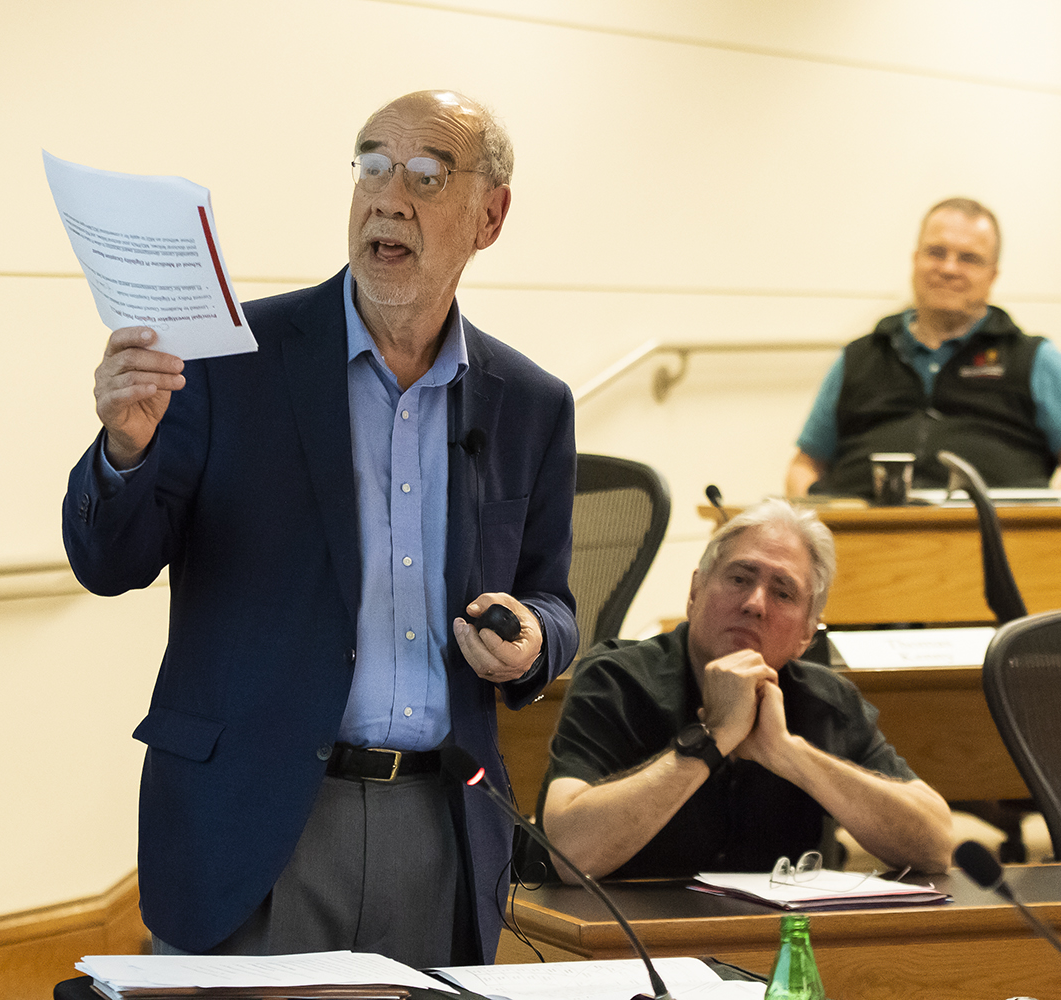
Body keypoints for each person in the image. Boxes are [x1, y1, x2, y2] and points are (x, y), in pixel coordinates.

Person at [62, 90, 579, 966]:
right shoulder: (230, 359)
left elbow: (553, 601)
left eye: (426, 175)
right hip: (256, 822)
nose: (388, 197)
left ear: (489, 217)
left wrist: (534, 641)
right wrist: (124, 447)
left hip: (439, 828)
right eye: (371, 165)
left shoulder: (530, 403)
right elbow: (110, 562)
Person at [537, 501, 954, 881]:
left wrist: (787, 753)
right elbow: (570, 854)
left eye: (783, 592)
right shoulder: (616, 680)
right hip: (626, 944)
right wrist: (712, 739)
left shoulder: (827, 699)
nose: (755, 603)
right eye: (739, 578)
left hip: (778, 942)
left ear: (806, 635)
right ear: (695, 592)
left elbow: (936, 848)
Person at [786, 198, 1061, 499]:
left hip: (997, 544)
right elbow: (805, 466)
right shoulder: (856, 357)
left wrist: (1050, 524)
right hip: (865, 544)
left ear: (992, 275)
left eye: (969, 258)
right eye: (936, 252)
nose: (949, 268)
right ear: (915, 260)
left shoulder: (1037, 360)